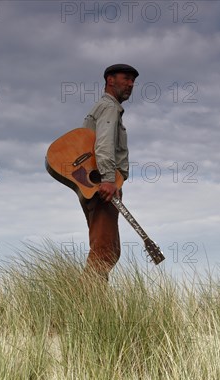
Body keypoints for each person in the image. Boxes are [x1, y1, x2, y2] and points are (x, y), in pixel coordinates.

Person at [78, 64, 139, 282]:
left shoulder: (102, 107)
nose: (131, 84)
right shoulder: (109, 107)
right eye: (126, 78)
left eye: (133, 81)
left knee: (106, 249)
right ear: (110, 80)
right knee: (105, 252)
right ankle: (79, 306)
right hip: (103, 187)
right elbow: (103, 144)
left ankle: (96, 308)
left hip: (98, 186)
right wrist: (108, 180)